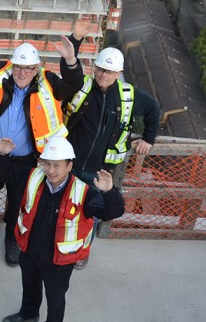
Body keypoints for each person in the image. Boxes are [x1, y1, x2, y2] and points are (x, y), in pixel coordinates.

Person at [0, 10, 85, 267]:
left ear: (36, 68)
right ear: (13, 65)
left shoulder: (47, 82)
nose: (22, 72)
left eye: (28, 68)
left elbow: (71, 87)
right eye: (19, 67)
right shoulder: (0, 72)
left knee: (18, 201)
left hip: (26, 159)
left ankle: (11, 240)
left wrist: (72, 61)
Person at [0, 136, 124, 322]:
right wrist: (1, 155)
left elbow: (111, 212)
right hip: (29, 249)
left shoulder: (84, 192)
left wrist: (109, 192)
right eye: (47, 163)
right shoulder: (33, 177)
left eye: (57, 165)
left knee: (55, 298)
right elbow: (3, 173)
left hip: (58, 260)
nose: (51, 170)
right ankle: (28, 313)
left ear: (69, 166)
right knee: (29, 284)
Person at [63, 47, 160, 269]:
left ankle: (81, 251)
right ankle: (60, 243)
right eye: (100, 69)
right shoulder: (83, 87)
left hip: (101, 171)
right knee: (65, 207)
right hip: (71, 164)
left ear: (118, 73)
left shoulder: (128, 96)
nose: (103, 75)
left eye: (109, 71)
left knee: (90, 213)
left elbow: (154, 110)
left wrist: (148, 139)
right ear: (95, 68)